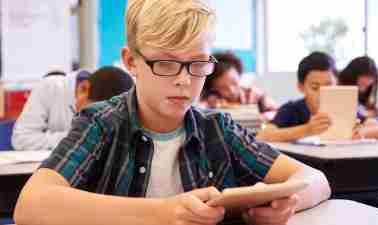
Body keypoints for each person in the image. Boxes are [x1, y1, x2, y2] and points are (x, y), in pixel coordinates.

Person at [14, 1, 331, 225]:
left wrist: (286, 204)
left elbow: (316, 180)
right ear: (132, 61)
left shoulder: (217, 129)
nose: (183, 80)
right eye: (165, 63)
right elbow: (31, 205)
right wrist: (164, 214)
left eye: (197, 64)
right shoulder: (101, 123)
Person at [257, 52, 378, 143]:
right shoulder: (292, 109)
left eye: (329, 85)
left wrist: (359, 132)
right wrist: (307, 130)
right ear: (301, 87)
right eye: (315, 87)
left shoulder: (344, 108)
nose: (322, 92)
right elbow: (263, 136)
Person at [12, 66, 133, 151]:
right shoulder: (49, 87)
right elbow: (21, 139)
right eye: (92, 112)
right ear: (83, 88)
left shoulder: (116, 95)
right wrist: (77, 138)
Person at [202, 51, 278, 120]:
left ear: (239, 75)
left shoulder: (254, 94)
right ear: (214, 88)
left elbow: (275, 112)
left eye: (234, 83)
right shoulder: (212, 101)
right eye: (223, 88)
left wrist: (261, 117)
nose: (231, 90)